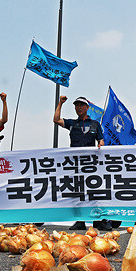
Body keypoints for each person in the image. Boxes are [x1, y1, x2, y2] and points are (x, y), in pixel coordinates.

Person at [54, 95, 110, 231]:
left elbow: (101, 140)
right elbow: (56, 120)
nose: (78, 107)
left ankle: (99, 221)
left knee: (95, 191)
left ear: (87, 107)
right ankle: (80, 220)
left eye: (81, 105)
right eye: (76, 105)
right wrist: (60, 103)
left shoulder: (95, 124)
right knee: (78, 192)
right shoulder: (72, 123)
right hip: (75, 164)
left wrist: (101, 145)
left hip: (91, 164)